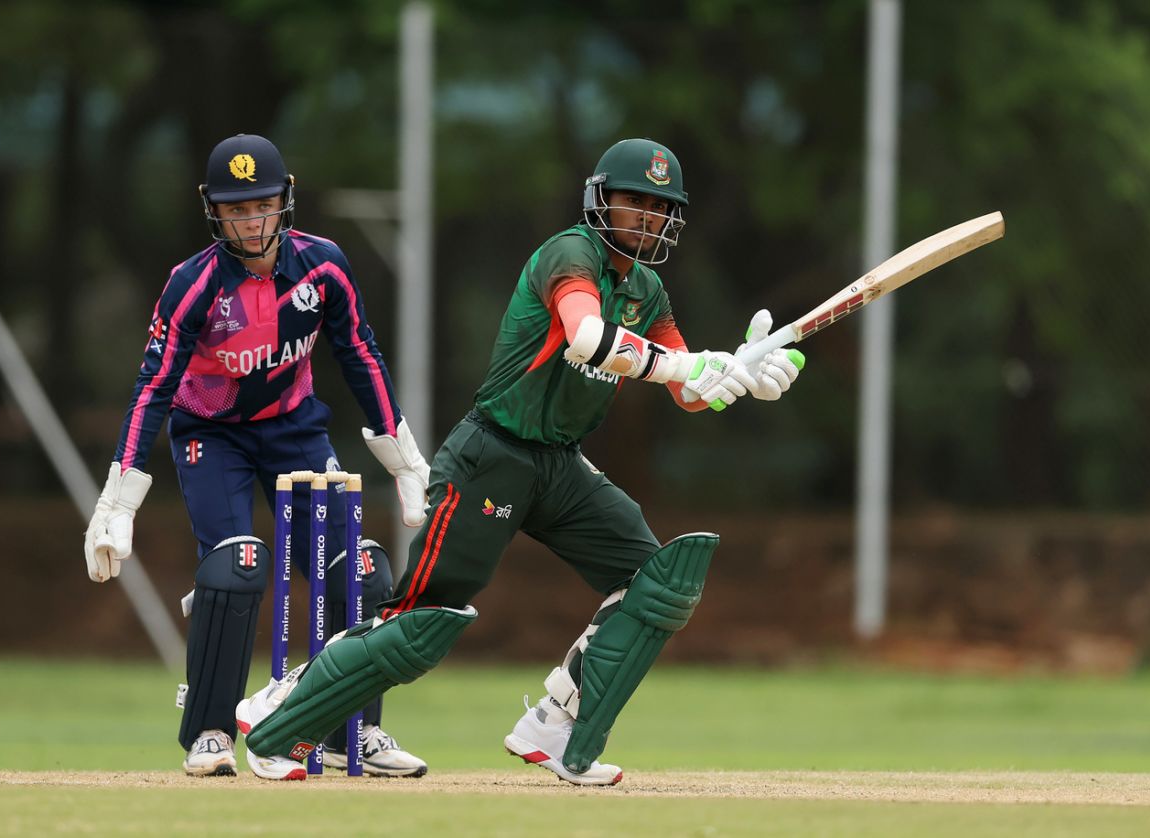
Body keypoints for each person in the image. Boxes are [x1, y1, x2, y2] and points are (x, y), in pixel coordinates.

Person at [232, 137, 804, 784]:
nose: (647, 216)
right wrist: (687, 367)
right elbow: (588, 338)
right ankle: (280, 711)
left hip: (560, 466)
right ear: (601, 200)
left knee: (658, 582)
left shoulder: (647, 289)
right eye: (634, 201)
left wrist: (741, 372)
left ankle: (557, 727)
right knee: (421, 624)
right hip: (492, 456)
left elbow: (686, 387)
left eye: (659, 206)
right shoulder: (571, 254)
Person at [82, 134, 432, 779]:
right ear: (214, 212)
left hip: (295, 428)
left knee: (360, 569)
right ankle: (210, 731)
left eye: (263, 205)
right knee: (235, 565)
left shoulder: (323, 266)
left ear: (285, 200)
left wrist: (404, 459)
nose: (252, 221)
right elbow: (154, 385)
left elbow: (360, 353)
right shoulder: (192, 284)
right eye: (236, 209)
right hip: (211, 435)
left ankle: (348, 729)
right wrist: (118, 499)